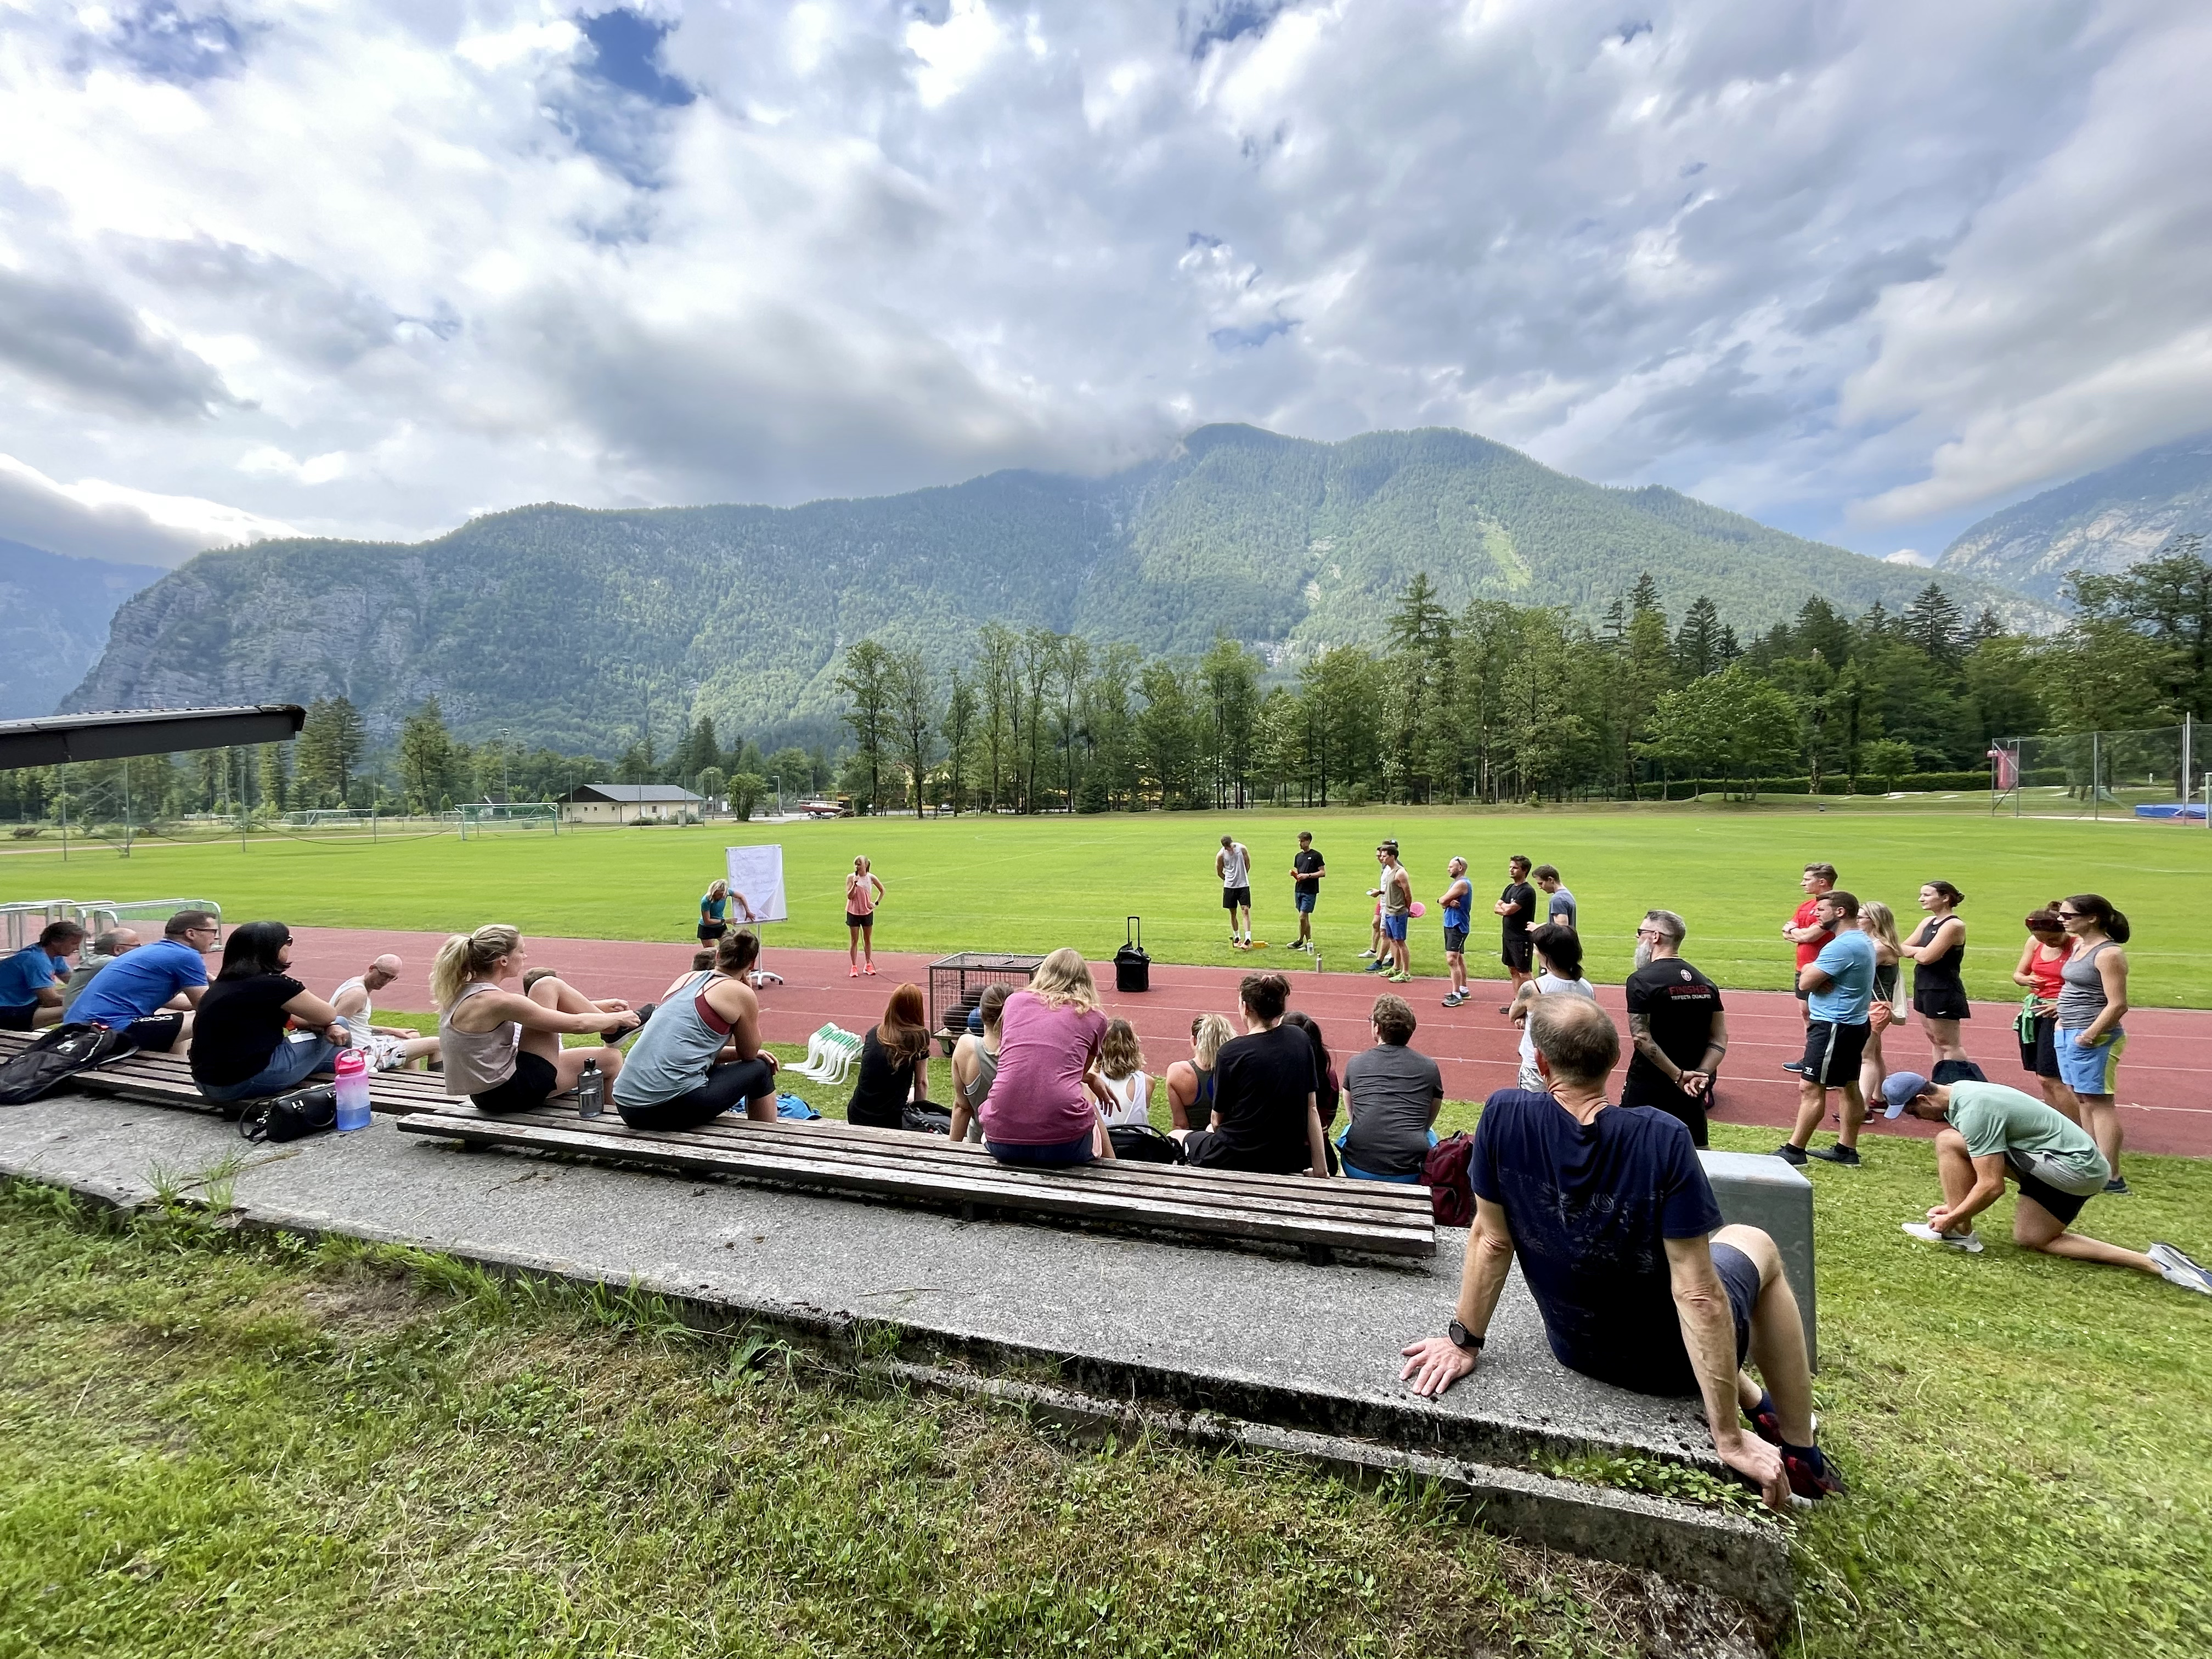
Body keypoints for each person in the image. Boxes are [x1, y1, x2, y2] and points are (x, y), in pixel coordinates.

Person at [1400, 996, 1842, 1508]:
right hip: (1669, 1366)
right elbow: (1699, 1296)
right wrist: (1728, 1438)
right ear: (1615, 1059)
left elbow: (1492, 1239)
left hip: (1575, 1345)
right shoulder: (1663, 1137)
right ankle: (1802, 1453)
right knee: (1753, 1242)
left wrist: (1464, 1343)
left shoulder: (1502, 1114)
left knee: (1687, 1259)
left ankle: (1757, 1401)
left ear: (1541, 1063)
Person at [1881, 1070, 2208, 1294]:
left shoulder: (1974, 1111)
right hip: (2078, 1170)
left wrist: (1953, 1216)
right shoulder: (1961, 1091)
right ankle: (2156, 1263)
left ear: (1924, 1099)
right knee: (2032, 1238)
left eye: (1911, 1113)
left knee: (1949, 1141)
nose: (1914, 1119)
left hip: (2073, 1171)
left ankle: (1958, 1232)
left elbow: (1992, 1185)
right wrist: (1958, 1207)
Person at [433, 925, 639, 1114]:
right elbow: (578, 1025)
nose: (525, 956)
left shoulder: (461, 993)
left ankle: (612, 1031)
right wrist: (619, 1018)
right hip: (513, 1092)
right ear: (503, 961)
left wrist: (599, 1008)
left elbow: (534, 1014)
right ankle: (614, 1032)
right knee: (546, 984)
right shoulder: (500, 1002)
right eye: (521, 951)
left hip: (486, 1095)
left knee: (610, 1058)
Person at [613, 929, 779, 1129]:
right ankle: (767, 1138)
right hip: (663, 1108)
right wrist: (748, 994)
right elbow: (749, 1054)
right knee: (761, 1068)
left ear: (718, 956)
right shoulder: (741, 993)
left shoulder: (685, 980)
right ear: (751, 965)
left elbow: (691, 1051)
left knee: (714, 1067)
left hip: (627, 1105)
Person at [1174, 972, 1332, 1177]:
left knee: (1176, 1135)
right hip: (1284, 1158)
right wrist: (1321, 1169)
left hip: (1237, 1156)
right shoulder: (1299, 1039)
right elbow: (1311, 1108)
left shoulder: (1231, 1053)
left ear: (1246, 1007)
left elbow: (1217, 1120)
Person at [189, 922, 358, 1104]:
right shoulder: (274, 985)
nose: (289, 946)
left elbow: (295, 1020)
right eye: (288, 941)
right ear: (273, 948)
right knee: (341, 1023)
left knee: (332, 1054)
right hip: (246, 1080)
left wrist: (325, 1025)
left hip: (207, 1082)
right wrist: (331, 1025)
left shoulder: (222, 985)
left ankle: (344, 1059)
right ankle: (355, 1066)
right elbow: (329, 1015)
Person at [979, 948, 1115, 1165]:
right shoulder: (1095, 1017)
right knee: (1088, 1106)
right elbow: (1076, 1073)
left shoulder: (1014, 1002)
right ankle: (1114, 1171)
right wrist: (1091, 1078)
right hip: (1065, 1147)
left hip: (1002, 1141)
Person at [1777, 889, 1875, 1167]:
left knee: (1811, 1087)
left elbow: (1805, 983)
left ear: (1840, 912)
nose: (1815, 915)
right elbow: (1812, 976)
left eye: (1821, 910)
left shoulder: (1841, 946)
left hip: (1834, 1025)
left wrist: (1812, 973)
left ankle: (1795, 1150)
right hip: (1852, 1023)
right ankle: (1847, 1150)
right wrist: (1814, 971)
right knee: (1849, 1085)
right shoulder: (1859, 940)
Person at [1622, 909, 1726, 1147]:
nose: (1637, 937)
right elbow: (1719, 1037)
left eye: (1641, 932)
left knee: (1632, 1148)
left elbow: (1641, 1037)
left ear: (1655, 936)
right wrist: (1701, 1073)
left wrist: (1678, 1076)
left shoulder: (1641, 980)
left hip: (1650, 1083)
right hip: (1693, 1087)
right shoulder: (1705, 982)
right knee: (1694, 1150)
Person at [2055, 894, 2131, 1195]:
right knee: (2082, 1098)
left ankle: (2112, 1176)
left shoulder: (2108, 954)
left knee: (2099, 1103)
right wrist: (2062, 1021)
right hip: (2069, 1032)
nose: (2062, 920)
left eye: (2068, 915)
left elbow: (2118, 1004)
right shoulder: (2079, 945)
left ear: (2092, 918)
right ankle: (2092, 1165)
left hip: (2093, 1037)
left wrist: (2089, 1035)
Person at [69, 910, 219, 1052]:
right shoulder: (186, 956)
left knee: (174, 1021)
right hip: (108, 1032)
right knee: (218, 1016)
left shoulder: (156, 951)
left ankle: (173, 1066)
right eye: (213, 932)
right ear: (191, 934)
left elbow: (180, 1002)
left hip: (80, 1029)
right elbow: (206, 1007)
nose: (216, 938)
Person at [1339, 994, 1443, 1182]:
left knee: (1349, 1131)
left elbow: (1353, 1116)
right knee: (1429, 1135)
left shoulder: (1356, 1064)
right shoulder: (1429, 1067)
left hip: (1358, 1167)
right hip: (1410, 1171)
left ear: (1377, 1028)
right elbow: (1427, 1122)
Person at [1509, 923, 1596, 1092]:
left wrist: (1523, 1015)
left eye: (1537, 949)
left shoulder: (1533, 988)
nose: (1535, 953)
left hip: (1537, 1066)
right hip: (1570, 1064)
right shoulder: (1586, 988)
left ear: (1547, 955)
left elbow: (1513, 1014)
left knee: (1532, 1107)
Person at [2011, 904, 2079, 1122]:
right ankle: (2057, 1124)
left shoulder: (2078, 945)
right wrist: (2026, 980)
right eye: (2042, 940)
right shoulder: (2034, 943)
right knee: (2042, 1077)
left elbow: (2089, 985)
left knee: (2052, 1077)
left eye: (2053, 939)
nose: (2048, 943)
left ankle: (2080, 1129)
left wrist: (2061, 1004)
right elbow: (2019, 974)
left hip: (2061, 1014)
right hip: (2036, 1010)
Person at [1900, 881, 1971, 1075]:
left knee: (1948, 1044)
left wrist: (1919, 952)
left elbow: (1926, 958)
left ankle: (1959, 1082)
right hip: (1924, 986)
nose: (1921, 899)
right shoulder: (1927, 922)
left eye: (1927, 895)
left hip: (1943, 989)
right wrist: (1920, 952)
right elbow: (1901, 948)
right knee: (1935, 1040)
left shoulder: (1954, 925)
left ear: (1945, 898)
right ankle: (1940, 1081)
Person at [331, 954, 442, 1071]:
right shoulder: (357, 995)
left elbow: (356, 1026)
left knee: (412, 1036)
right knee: (438, 1044)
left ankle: (412, 1078)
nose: (385, 981)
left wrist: (392, 1031)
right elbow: (333, 1025)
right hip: (363, 1054)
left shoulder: (355, 983)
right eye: (383, 975)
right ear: (372, 968)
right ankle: (434, 1082)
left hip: (367, 1045)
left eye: (391, 978)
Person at [845, 983, 933, 1130]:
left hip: (857, 1113)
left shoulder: (874, 1032)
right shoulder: (919, 1037)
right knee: (914, 1095)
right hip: (890, 1120)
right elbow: (921, 1083)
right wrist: (918, 1114)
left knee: (906, 1094)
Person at [1780, 862, 1838, 1057]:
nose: (1802, 883)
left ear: (1822, 882)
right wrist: (1800, 934)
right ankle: (1811, 1056)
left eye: (1807, 879)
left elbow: (1809, 936)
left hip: (1822, 969)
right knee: (1806, 1013)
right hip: (1802, 968)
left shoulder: (1832, 907)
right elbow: (1787, 932)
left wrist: (1796, 932)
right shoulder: (1806, 906)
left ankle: (1825, 1059)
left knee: (1822, 1017)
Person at [1856, 901, 1905, 1117]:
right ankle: (1879, 1097)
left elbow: (1858, 972)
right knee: (1874, 1053)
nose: (1856, 921)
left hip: (1874, 1006)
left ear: (1874, 921)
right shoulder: (1879, 944)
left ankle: (1862, 1108)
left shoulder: (1879, 948)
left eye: (1860, 917)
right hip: (1877, 1005)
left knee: (1865, 1057)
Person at [949, 982, 1009, 1144]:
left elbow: (962, 1108)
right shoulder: (1029, 1050)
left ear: (981, 1014)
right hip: (1021, 1143)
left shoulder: (966, 1047)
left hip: (980, 1143)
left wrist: (951, 1152)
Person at [0, 920, 83, 1030]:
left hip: (21, 1003)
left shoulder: (51, 954)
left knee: (79, 996)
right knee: (84, 1008)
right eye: (74, 943)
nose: (77, 948)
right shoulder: (36, 960)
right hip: (7, 1010)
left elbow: (75, 982)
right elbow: (50, 1001)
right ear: (55, 941)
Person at [1164, 1012, 1234, 1132]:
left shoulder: (1178, 1072)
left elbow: (1181, 1126)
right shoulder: (1237, 1070)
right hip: (1229, 1138)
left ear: (1195, 1040)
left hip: (1195, 1140)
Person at [59, 926, 140, 1013]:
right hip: (85, 1018)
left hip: (85, 1014)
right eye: (137, 946)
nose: (141, 949)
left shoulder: (99, 961)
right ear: (118, 949)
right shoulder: (109, 963)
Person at [1493, 855, 1537, 1008]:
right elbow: (1496, 907)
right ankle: (1518, 1004)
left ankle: (1536, 1004)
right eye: (1510, 867)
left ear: (1524, 870)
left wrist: (1505, 908)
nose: (1511, 870)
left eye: (1515, 868)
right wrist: (1505, 908)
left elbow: (1509, 910)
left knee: (1524, 973)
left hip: (1521, 938)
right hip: (1508, 937)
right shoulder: (1510, 888)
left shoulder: (1527, 891)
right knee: (1513, 970)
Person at [1093, 1018, 1152, 1128]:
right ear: (1133, 1045)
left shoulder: (1092, 1082)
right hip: (1138, 1139)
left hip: (1105, 1139)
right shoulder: (1147, 1082)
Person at [1367, 841, 1412, 983]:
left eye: (1385, 856)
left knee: (1401, 942)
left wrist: (1407, 909)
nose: (1382, 858)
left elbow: (1408, 894)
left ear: (1392, 857)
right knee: (1393, 940)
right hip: (1388, 911)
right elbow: (1390, 890)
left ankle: (1406, 972)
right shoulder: (1389, 871)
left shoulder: (1400, 873)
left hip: (1398, 912)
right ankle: (1396, 968)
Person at [1438, 857, 1474, 1007]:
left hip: (1457, 925)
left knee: (1452, 959)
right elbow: (1444, 902)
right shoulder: (1456, 883)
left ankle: (1456, 995)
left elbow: (1442, 901)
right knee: (1458, 958)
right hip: (1451, 923)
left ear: (1460, 868)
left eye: (1451, 867)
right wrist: (1446, 902)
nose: (1448, 869)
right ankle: (1463, 989)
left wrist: (1445, 901)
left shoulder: (1462, 884)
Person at [845, 857, 884, 977]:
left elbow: (882, 890)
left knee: (867, 939)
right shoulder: (851, 878)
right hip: (853, 912)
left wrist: (876, 903)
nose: (857, 867)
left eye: (859, 864)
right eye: (856, 865)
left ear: (866, 865)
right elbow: (849, 896)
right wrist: (855, 884)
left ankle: (868, 964)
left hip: (867, 912)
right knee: (854, 940)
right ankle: (854, 966)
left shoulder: (871, 878)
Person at [1288, 832, 1325, 951]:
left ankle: (1300, 940)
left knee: (1302, 917)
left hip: (1310, 890)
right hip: (1299, 889)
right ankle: (1309, 943)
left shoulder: (1316, 855)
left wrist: (1308, 875)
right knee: (1305, 918)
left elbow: (1322, 872)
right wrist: (1295, 875)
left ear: (1308, 841)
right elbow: (1299, 873)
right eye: (1299, 841)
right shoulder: (1298, 856)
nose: (1300, 844)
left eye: (1302, 841)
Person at [1217, 835, 1255, 949]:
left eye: (1230, 846)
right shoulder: (1221, 855)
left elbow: (1248, 864)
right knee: (1232, 912)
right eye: (1227, 848)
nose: (1230, 849)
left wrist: (1242, 876)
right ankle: (1237, 936)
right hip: (1230, 887)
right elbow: (1219, 871)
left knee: (1245, 910)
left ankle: (1248, 938)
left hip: (1243, 885)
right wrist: (1227, 879)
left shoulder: (1242, 849)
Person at [1533, 864, 1576, 930]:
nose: (1540, 887)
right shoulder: (1567, 894)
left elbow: (1561, 929)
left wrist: (1537, 928)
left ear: (1551, 880)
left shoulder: (1558, 899)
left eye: (1541, 883)